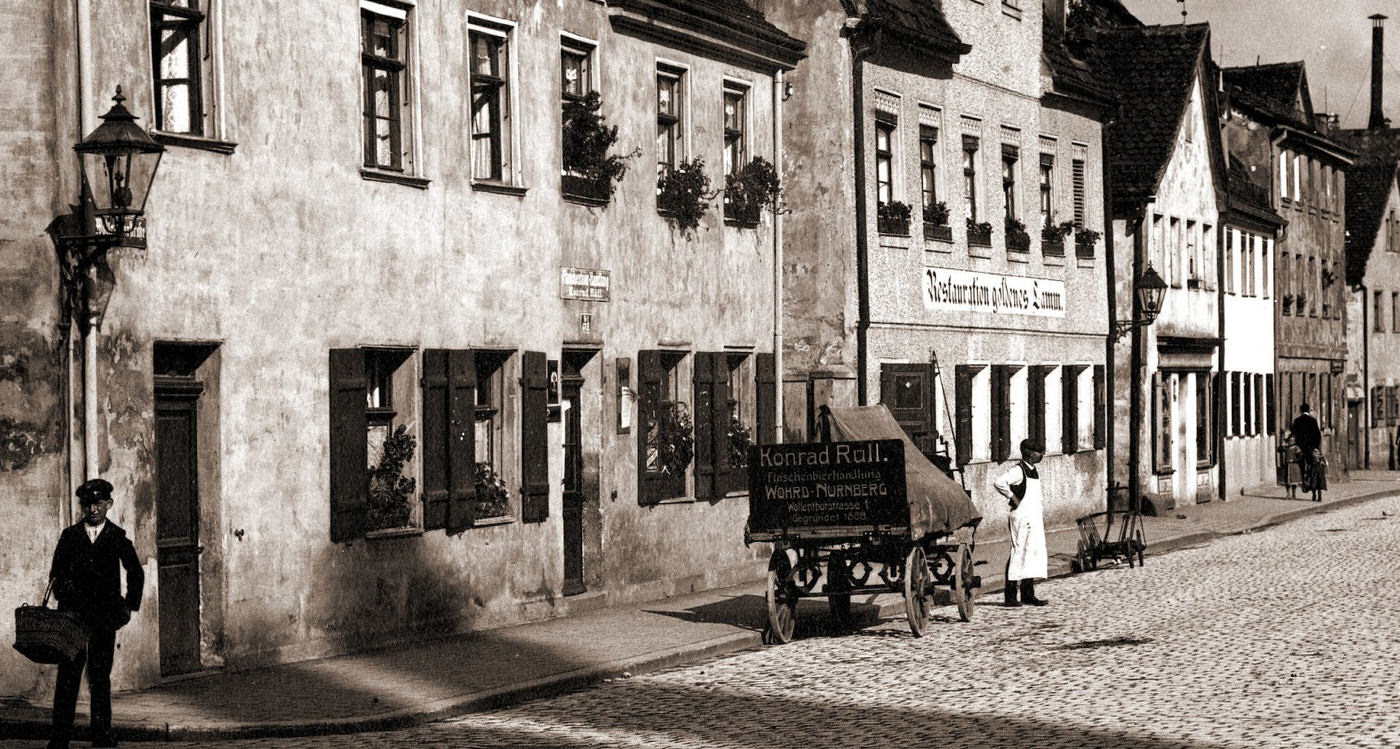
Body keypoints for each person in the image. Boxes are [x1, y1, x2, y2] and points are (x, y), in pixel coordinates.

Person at [47, 478, 143, 749]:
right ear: (83, 506)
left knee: (100, 676)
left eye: (98, 504)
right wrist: (66, 595)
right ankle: (59, 737)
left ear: (108, 505)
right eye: (88, 505)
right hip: (74, 618)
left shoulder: (117, 536)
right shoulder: (70, 536)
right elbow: (57, 574)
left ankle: (102, 733)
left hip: (104, 616)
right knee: (68, 676)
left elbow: (135, 571)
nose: (92, 510)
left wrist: (128, 605)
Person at [994, 439, 1048, 607]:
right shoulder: (1018, 471)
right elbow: (999, 482)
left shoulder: (1033, 470)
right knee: (1018, 553)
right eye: (1039, 452)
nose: (1042, 455)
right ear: (1029, 453)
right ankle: (1010, 597)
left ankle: (1028, 594)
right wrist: (1012, 498)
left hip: (1033, 517)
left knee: (1030, 553)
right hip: (1022, 517)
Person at [1290, 404, 1322, 498]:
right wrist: (1316, 447)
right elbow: (1317, 435)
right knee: (1314, 468)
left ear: (1300, 410)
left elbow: (1294, 434)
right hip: (1311, 448)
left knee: (1300, 467)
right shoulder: (1313, 420)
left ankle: (1304, 482)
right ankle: (1314, 491)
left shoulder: (1297, 421)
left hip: (1300, 449)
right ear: (1309, 410)